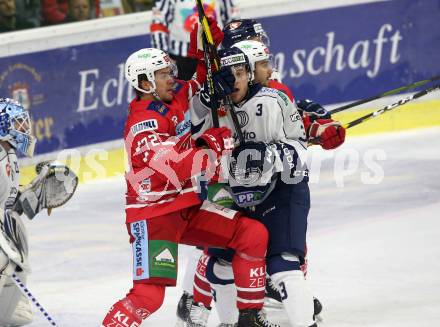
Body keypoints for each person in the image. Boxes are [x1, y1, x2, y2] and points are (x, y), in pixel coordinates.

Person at [101, 44, 274, 326]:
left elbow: (200, 80)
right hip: (154, 216)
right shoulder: (143, 122)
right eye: (163, 74)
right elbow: (171, 165)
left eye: (170, 70)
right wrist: (208, 145)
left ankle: (250, 317)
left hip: (187, 208)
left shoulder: (172, 96)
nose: (172, 77)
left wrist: (207, 47)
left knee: (252, 234)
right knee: (149, 296)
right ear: (145, 83)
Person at [188, 44, 345, 327]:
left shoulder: (275, 100)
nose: (234, 79)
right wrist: (206, 100)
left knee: (283, 263)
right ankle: (227, 321)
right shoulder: (213, 107)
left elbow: (298, 148)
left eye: (240, 72)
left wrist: (268, 156)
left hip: (282, 188)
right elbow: (191, 132)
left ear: (249, 74)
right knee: (221, 263)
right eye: (227, 74)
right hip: (235, 194)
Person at [0, 98, 36, 326]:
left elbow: (7, 201)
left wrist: (30, 195)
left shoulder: (10, 155)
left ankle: (7, 309)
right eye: (18, 124)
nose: (25, 129)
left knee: (17, 264)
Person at [150, 0, 239, 80]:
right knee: (187, 95)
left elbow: (232, 22)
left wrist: (232, 52)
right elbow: (158, 24)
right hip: (182, 61)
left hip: (215, 56)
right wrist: (163, 58)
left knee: (220, 92)